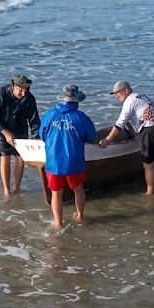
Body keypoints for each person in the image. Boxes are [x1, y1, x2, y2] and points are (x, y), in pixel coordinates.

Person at [39, 84, 97, 229]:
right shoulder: (80, 117)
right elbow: (91, 136)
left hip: (54, 162)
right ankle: (79, 215)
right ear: (76, 100)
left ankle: (58, 223)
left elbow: (42, 135)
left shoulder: (49, 114)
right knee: (78, 188)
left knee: (56, 193)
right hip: (74, 161)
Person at [99, 81, 154, 195]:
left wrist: (107, 140)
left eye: (117, 93)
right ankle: (153, 187)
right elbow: (132, 119)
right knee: (151, 161)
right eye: (114, 94)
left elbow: (119, 124)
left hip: (149, 129)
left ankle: (150, 192)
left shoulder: (130, 100)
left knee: (148, 162)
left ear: (126, 90)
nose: (116, 96)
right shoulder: (141, 96)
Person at [0, 73, 40, 196]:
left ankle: (17, 188)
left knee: (20, 158)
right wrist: (5, 132)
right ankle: (7, 190)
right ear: (13, 86)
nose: (23, 93)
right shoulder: (0, 93)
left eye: (26, 90)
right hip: (2, 128)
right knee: (5, 156)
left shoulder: (29, 98)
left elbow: (34, 121)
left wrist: (36, 140)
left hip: (20, 128)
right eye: (20, 90)